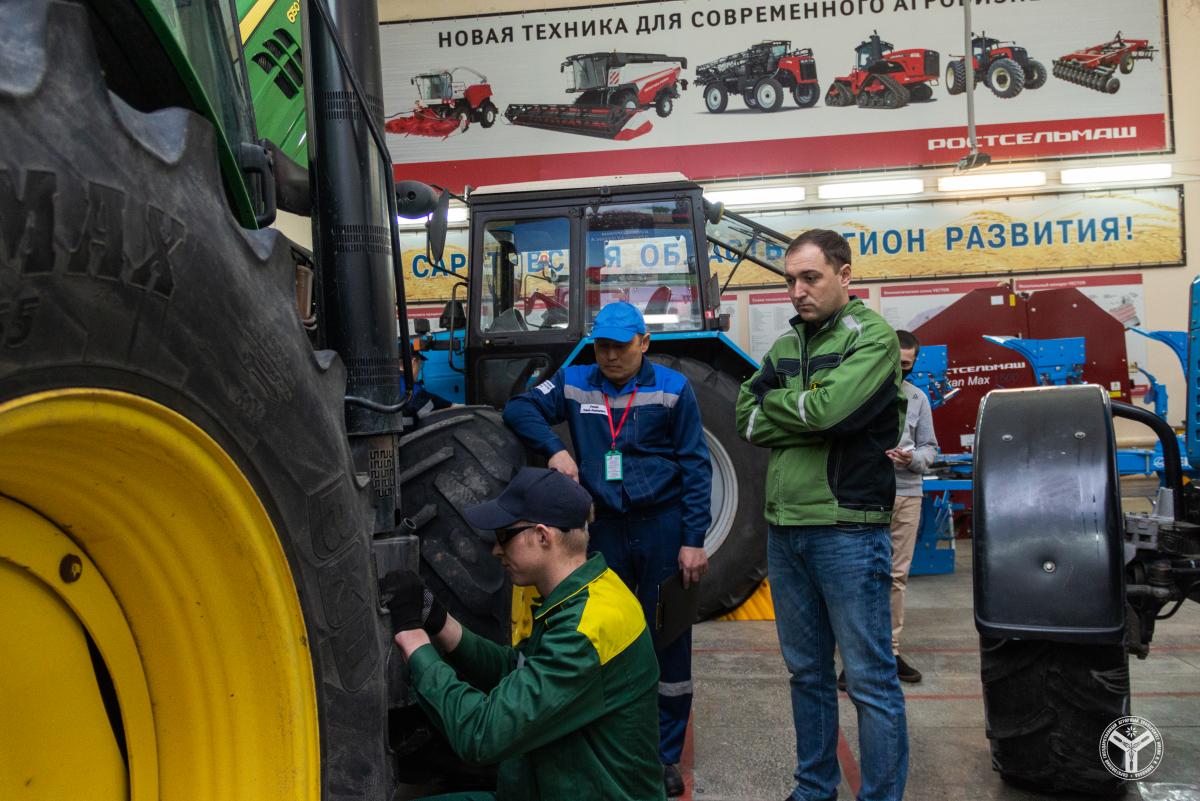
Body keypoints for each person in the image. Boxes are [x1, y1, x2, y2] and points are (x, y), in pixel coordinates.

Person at [501, 301, 712, 797]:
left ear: (644, 344)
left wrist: (693, 541)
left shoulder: (673, 390)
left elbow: (696, 467)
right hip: (606, 528)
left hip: (662, 525)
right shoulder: (576, 382)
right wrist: (554, 449)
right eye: (602, 345)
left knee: (667, 635)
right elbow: (519, 407)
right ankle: (604, 733)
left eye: (620, 345)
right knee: (599, 629)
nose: (610, 355)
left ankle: (663, 755)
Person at [735, 229, 908, 801]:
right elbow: (746, 418)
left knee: (870, 681)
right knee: (806, 675)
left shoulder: (873, 339)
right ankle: (814, 790)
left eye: (810, 277)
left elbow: (833, 412)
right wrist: (805, 410)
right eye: (790, 280)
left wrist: (793, 408)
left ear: (845, 276)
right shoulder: (785, 348)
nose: (797, 291)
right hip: (787, 532)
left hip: (847, 531)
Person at [388, 466, 665, 801]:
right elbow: (518, 671)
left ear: (542, 536)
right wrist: (441, 624)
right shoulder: (589, 594)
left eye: (505, 535)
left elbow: (481, 735)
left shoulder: (587, 632)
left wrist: (414, 642)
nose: (495, 550)